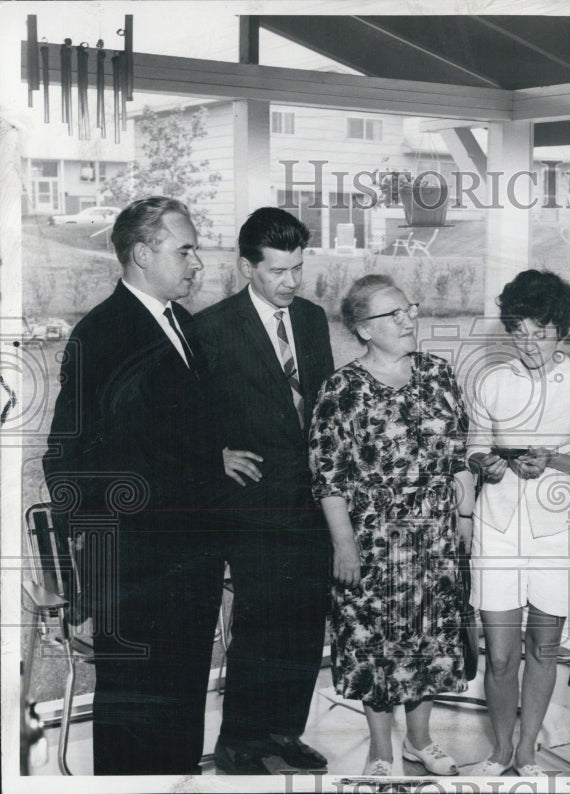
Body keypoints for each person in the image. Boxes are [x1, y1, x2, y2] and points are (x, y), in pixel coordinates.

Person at [42, 197, 227, 774]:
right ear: (143, 254)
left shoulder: (184, 325)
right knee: (134, 719)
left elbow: (169, 433)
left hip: (191, 553)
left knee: (180, 708)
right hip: (134, 564)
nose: (197, 262)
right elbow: (66, 455)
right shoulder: (100, 334)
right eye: (186, 249)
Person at [309, 274, 475, 776]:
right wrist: (344, 545)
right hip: (372, 540)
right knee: (373, 643)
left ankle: (420, 741)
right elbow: (328, 477)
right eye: (392, 315)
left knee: (429, 640)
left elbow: (459, 455)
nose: (408, 320)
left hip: (435, 537)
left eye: (409, 309)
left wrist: (464, 515)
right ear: (363, 329)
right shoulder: (341, 390)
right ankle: (382, 752)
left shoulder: (439, 374)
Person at [193, 208, 333, 774]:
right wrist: (214, 455)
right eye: (278, 271)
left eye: (297, 268)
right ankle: (239, 742)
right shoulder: (210, 328)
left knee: (304, 619)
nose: (291, 282)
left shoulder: (314, 318)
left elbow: (323, 406)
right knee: (260, 620)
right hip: (252, 503)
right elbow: (186, 414)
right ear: (247, 266)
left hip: (313, 500)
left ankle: (284, 732)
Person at [466, 270, 570, 777]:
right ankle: (500, 748)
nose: (529, 342)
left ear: (561, 329)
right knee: (502, 655)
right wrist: (483, 463)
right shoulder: (490, 381)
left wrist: (552, 462)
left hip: (560, 528)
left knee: (544, 647)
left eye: (541, 331)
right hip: (499, 527)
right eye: (520, 330)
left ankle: (528, 746)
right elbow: (474, 448)